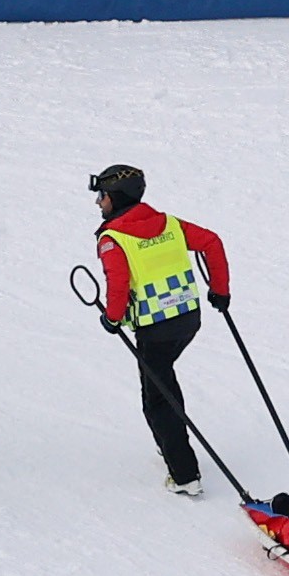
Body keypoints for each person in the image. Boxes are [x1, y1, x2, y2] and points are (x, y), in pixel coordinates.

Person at [91, 164, 229, 496]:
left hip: (154, 328)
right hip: (188, 319)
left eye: (102, 196)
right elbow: (211, 242)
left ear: (116, 198)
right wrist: (220, 291)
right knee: (163, 377)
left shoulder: (114, 239)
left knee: (156, 399)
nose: (98, 203)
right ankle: (170, 444)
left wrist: (112, 318)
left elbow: (118, 284)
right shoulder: (170, 224)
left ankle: (184, 474)